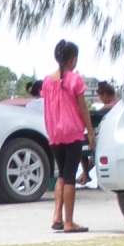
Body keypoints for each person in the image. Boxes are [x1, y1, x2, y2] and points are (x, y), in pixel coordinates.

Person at [42, 40, 95, 233]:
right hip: (72, 132)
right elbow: (83, 108)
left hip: (54, 133)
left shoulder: (47, 81)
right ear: (73, 59)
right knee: (70, 176)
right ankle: (69, 222)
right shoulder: (75, 79)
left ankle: (57, 215)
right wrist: (90, 133)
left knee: (62, 175)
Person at [77, 81, 119, 186]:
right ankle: (85, 175)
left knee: (86, 145)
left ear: (106, 94)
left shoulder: (113, 105)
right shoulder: (118, 104)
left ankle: (85, 175)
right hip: (105, 138)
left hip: (107, 139)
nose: (100, 99)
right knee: (91, 147)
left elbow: (107, 107)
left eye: (101, 96)